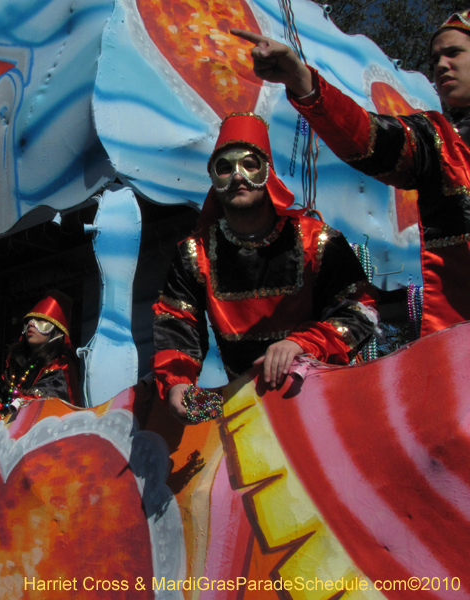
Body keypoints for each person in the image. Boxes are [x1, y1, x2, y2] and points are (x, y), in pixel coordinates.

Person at [232, 10, 470, 337]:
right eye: (435, 59)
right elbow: (369, 138)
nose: (441, 65)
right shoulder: (439, 141)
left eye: (454, 52)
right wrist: (302, 81)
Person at [151, 112, 377, 422]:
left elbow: (361, 311)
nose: (238, 176)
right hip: (252, 413)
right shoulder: (194, 253)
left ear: (266, 172)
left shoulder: (318, 240)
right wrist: (176, 384)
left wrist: (302, 343)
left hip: (329, 405)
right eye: (225, 168)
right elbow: (177, 323)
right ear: (214, 179)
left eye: (250, 165)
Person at [0, 291, 81, 422]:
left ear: (56, 331)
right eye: (29, 321)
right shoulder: (16, 365)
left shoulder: (61, 364)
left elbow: (44, 404)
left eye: (41, 320)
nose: (31, 324)